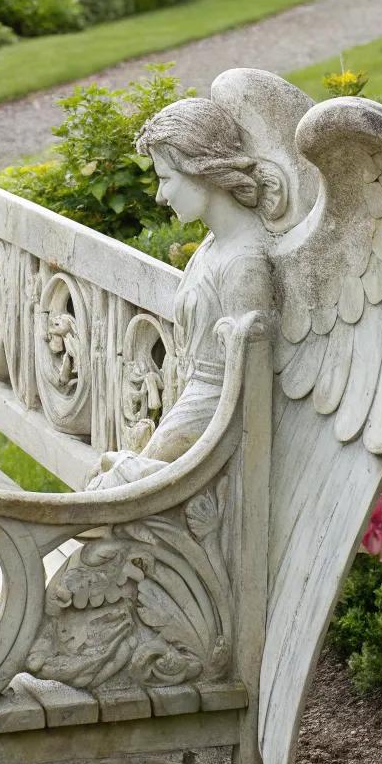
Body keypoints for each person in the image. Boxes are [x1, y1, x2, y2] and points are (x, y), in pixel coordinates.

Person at [88, 96, 279, 489]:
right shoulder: (213, 248)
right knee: (109, 481)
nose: (160, 196)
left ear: (199, 171)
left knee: (112, 486)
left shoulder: (243, 262)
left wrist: (154, 465)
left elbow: (249, 395)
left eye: (165, 178)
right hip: (189, 415)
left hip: (210, 436)